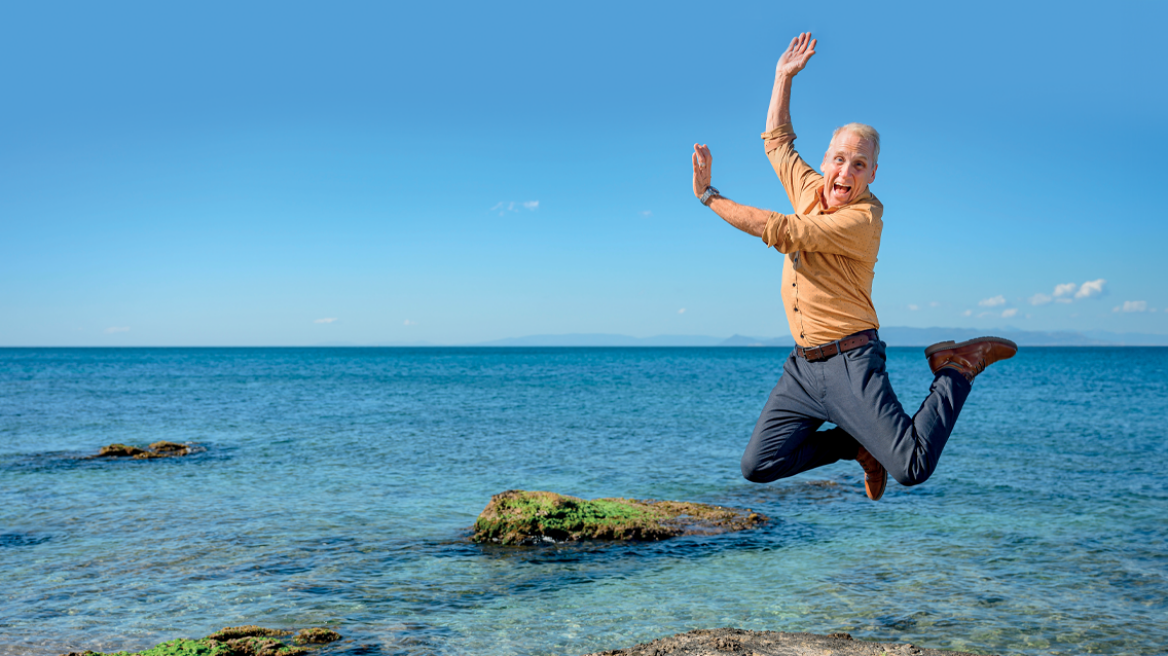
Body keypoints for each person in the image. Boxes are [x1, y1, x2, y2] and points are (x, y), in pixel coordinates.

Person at [691, 32, 1017, 500]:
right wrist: (782, 77)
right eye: (840, 159)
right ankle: (855, 444)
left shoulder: (862, 218)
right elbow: (777, 143)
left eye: (859, 165)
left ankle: (957, 367)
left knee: (910, 466)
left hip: (850, 362)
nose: (846, 171)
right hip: (803, 369)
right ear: (825, 161)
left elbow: (784, 231)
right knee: (759, 464)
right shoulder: (810, 190)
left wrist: (709, 197)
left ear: (872, 174)